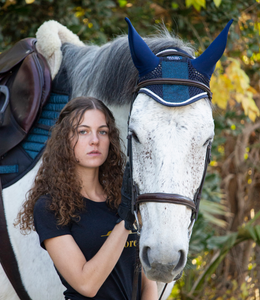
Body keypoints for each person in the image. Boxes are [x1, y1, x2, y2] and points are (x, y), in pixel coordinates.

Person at [15, 96, 157, 300]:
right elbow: (86, 283)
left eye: (103, 131)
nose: (95, 140)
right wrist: (125, 222)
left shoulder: (120, 200)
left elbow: (146, 282)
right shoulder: (50, 207)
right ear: (65, 140)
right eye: (83, 131)